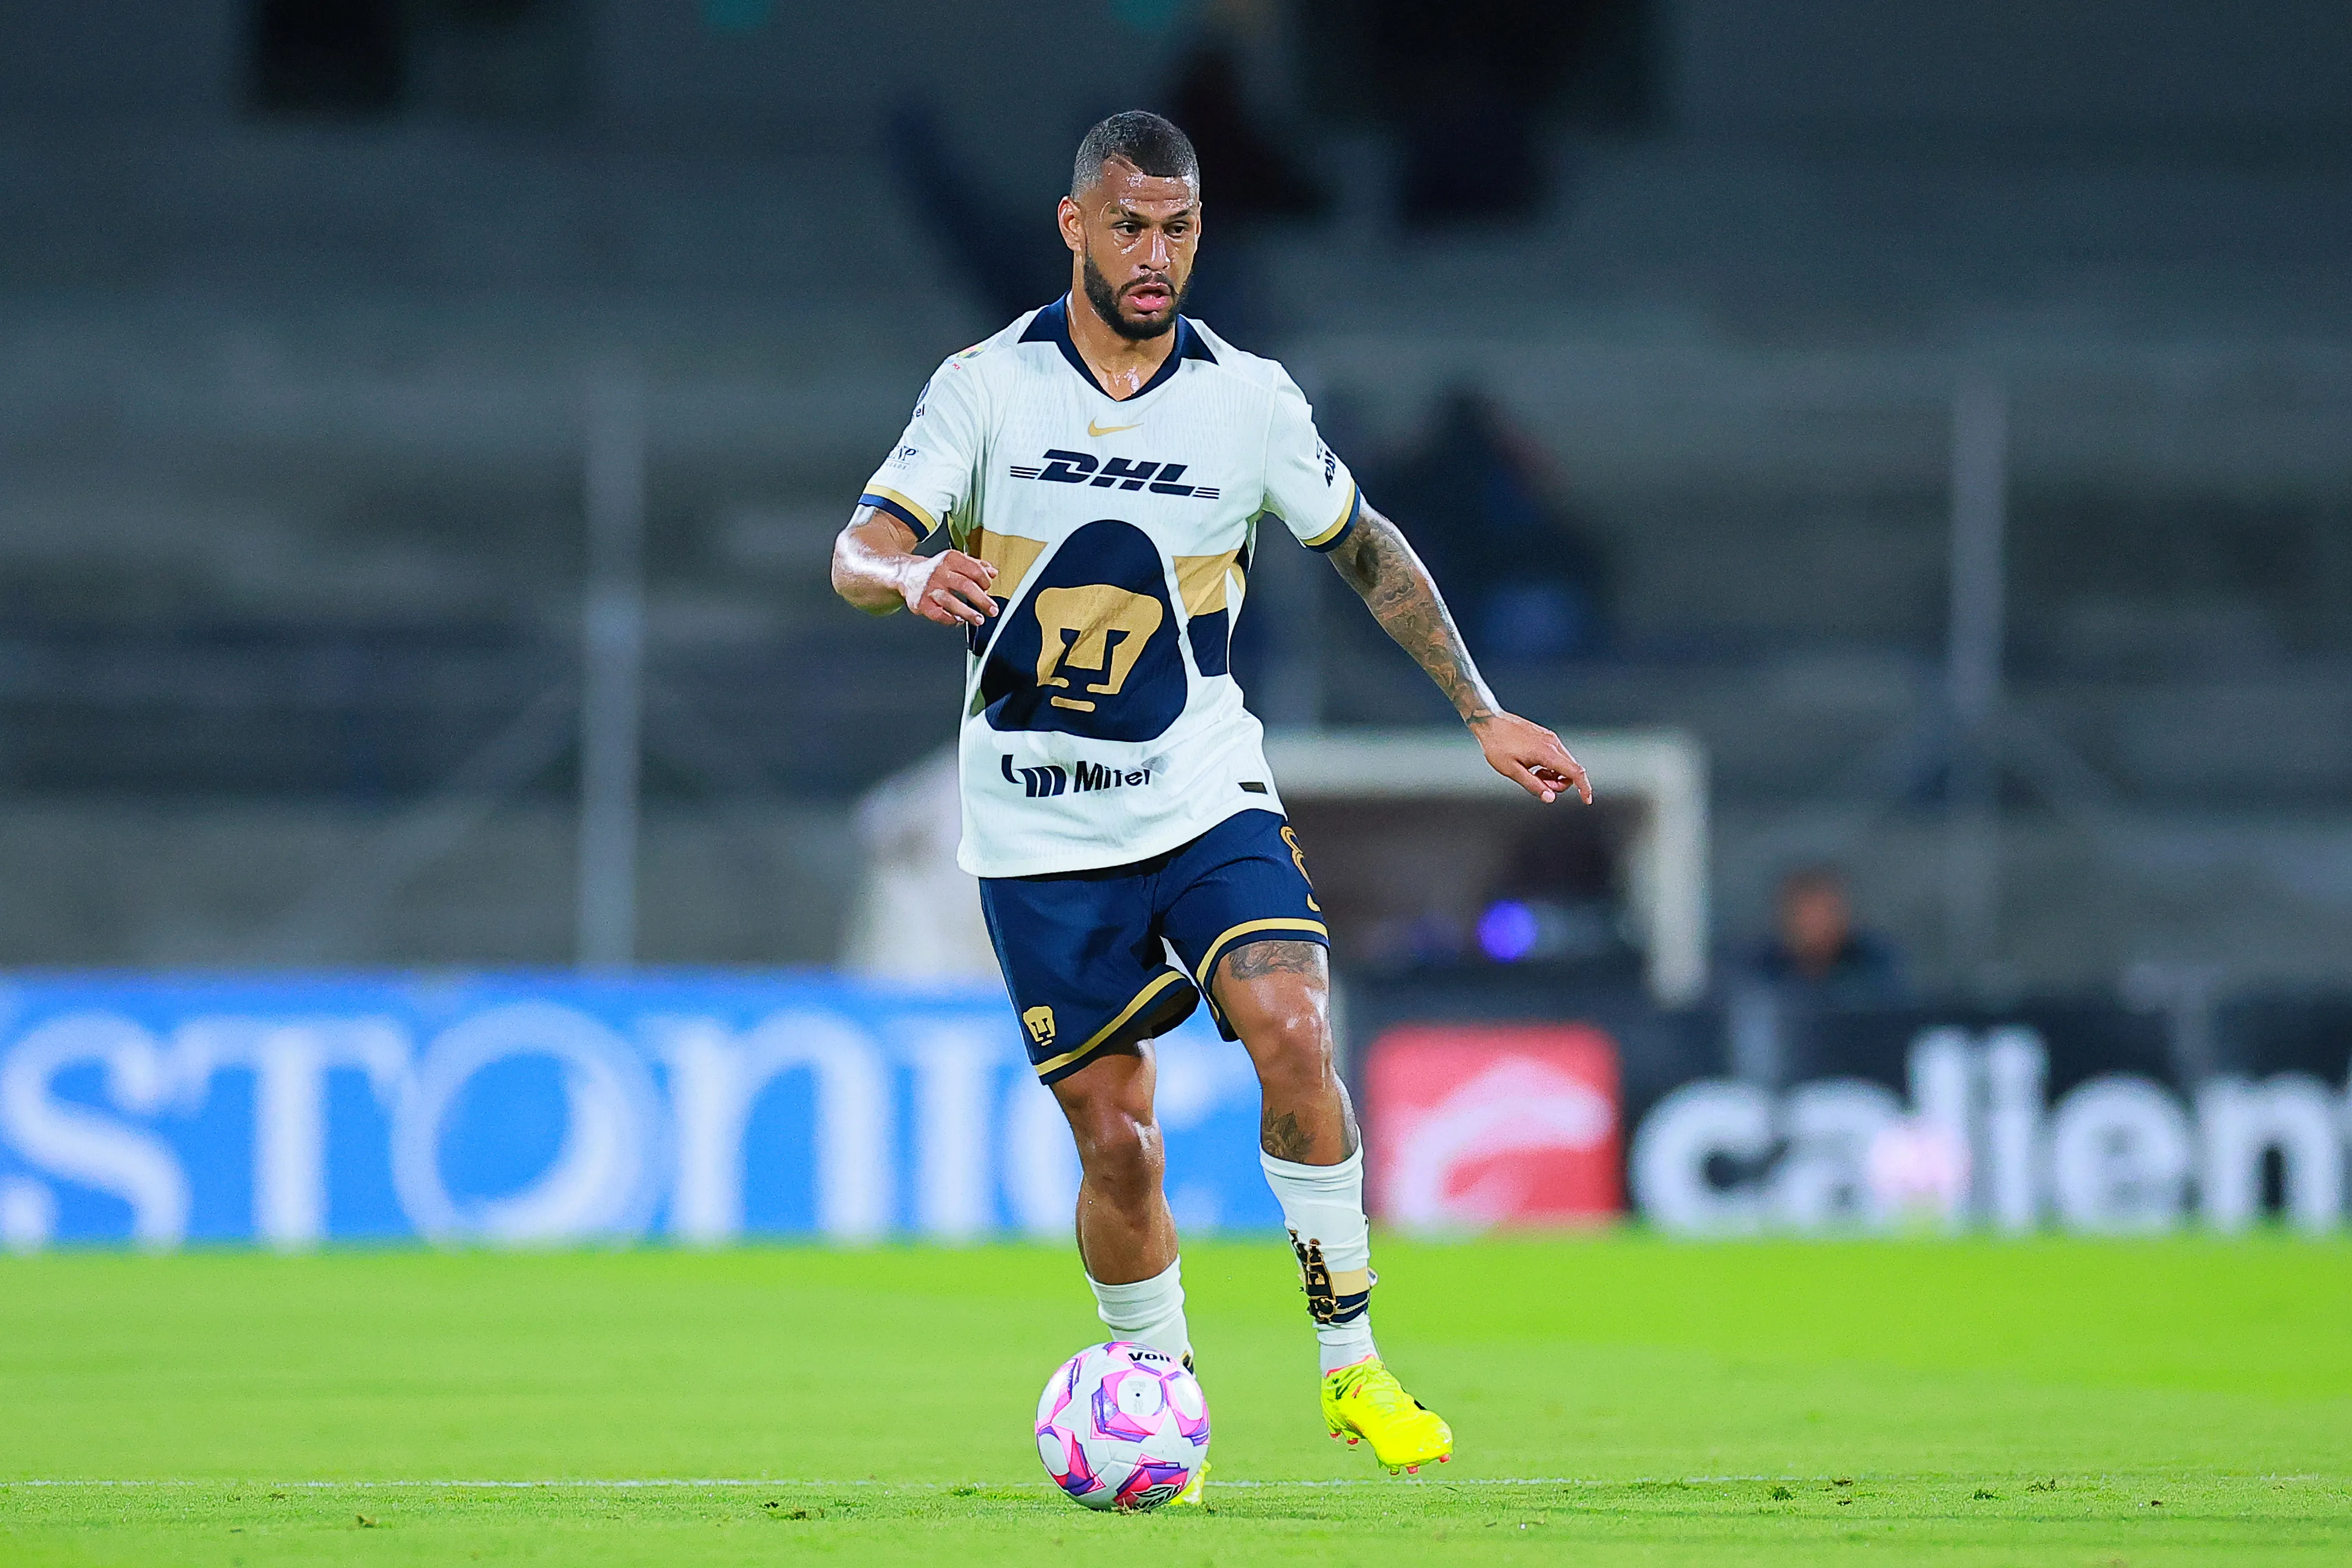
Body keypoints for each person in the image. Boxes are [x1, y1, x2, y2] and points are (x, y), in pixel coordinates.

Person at [830, 111, 1589, 1500]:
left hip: (1198, 792)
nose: (1154, 254)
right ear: (1074, 225)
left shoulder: (1248, 398)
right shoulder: (984, 389)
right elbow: (858, 548)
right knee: (1117, 1143)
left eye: (1177, 229)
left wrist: (1478, 709)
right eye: (1128, 225)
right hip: (1038, 827)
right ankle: (1157, 1390)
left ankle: (1352, 1362)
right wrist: (908, 574)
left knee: (1292, 1026)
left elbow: (1365, 546)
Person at [1748, 865, 1906, 1004]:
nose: (1817, 923)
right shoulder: (1758, 968)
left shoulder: (1873, 961)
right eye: (1807, 914)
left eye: (1826, 911)